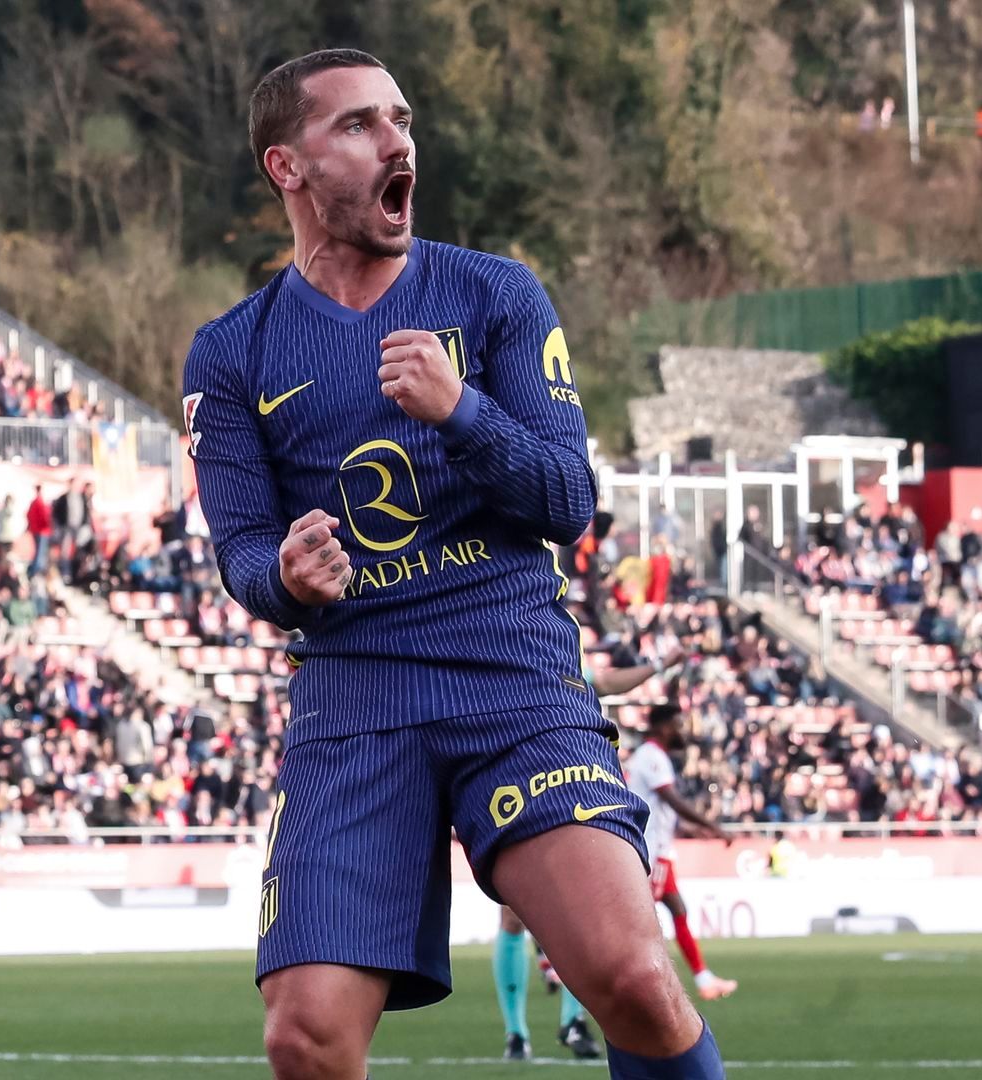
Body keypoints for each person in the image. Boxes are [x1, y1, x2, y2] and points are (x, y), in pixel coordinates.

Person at [185, 49, 723, 1080]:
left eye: (402, 119)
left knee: (635, 982)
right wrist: (286, 578)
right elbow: (243, 554)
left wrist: (463, 412)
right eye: (357, 125)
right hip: (353, 700)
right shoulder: (233, 352)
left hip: (511, 679)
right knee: (305, 1036)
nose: (397, 142)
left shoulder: (495, 295)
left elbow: (568, 501)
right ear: (286, 167)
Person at [497, 644, 686, 1062]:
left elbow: (604, 681)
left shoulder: (549, 635)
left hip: (570, 778)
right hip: (505, 780)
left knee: (581, 907)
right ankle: (517, 1033)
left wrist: (658, 664)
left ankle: (572, 1021)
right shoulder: (489, 633)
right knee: (513, 914)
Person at [626, 703, 741, 1002]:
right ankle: (639, 980)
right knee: (641, 920)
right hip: (651, 854)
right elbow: (672, 800)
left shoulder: (653, 757)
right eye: (677, 724)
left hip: (660, 851)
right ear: (663, 726)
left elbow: (659, 810)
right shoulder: (651, 757)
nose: (681, 731)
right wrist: (714, 826)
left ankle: (703, 979)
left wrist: (694, 831)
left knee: (677, 910)